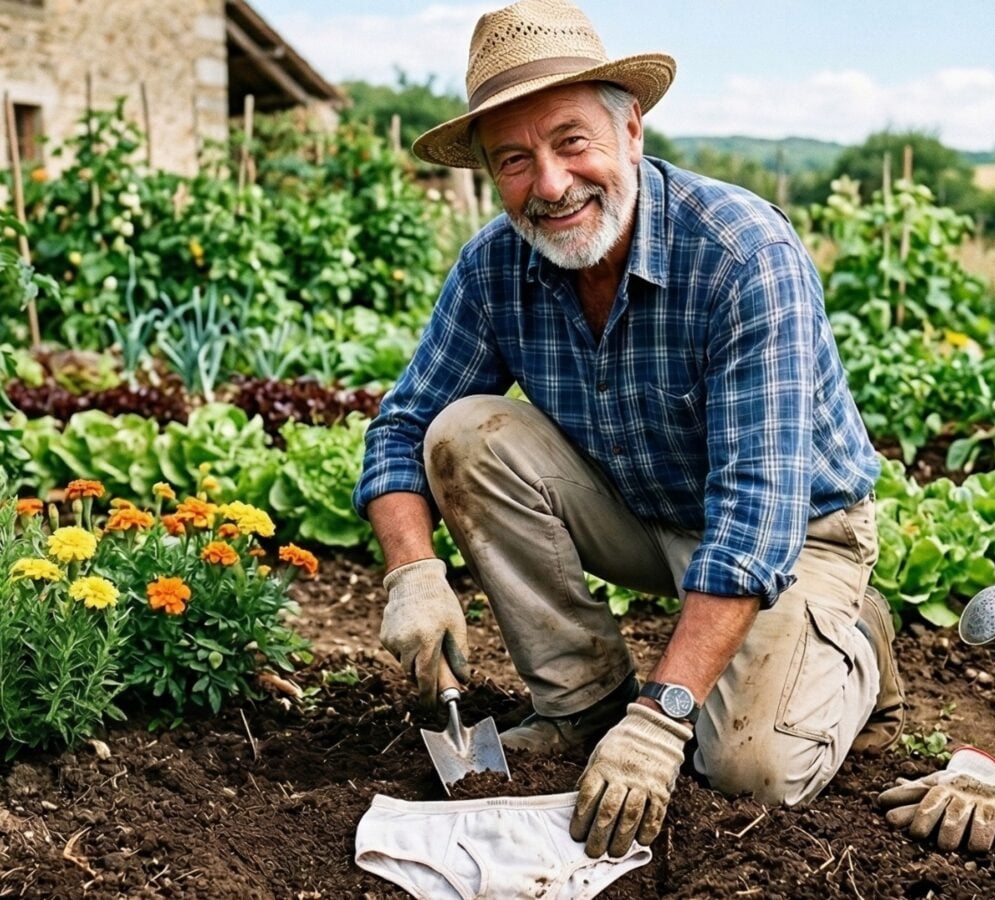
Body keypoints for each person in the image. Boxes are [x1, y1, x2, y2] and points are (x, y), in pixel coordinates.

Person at [355, 0, 903, 860]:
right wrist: (413, 573)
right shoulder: (496, 265)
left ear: (632, 131)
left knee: (750, 769)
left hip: (797, 537)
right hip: (639, 510)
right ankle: (580, 704)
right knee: (463, 433)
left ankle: (853, 635)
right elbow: (402, 427)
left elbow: (759, 512)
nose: (550, 185)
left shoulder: (740, 253)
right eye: (514, 160)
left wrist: (664, 716)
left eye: (572, 142)